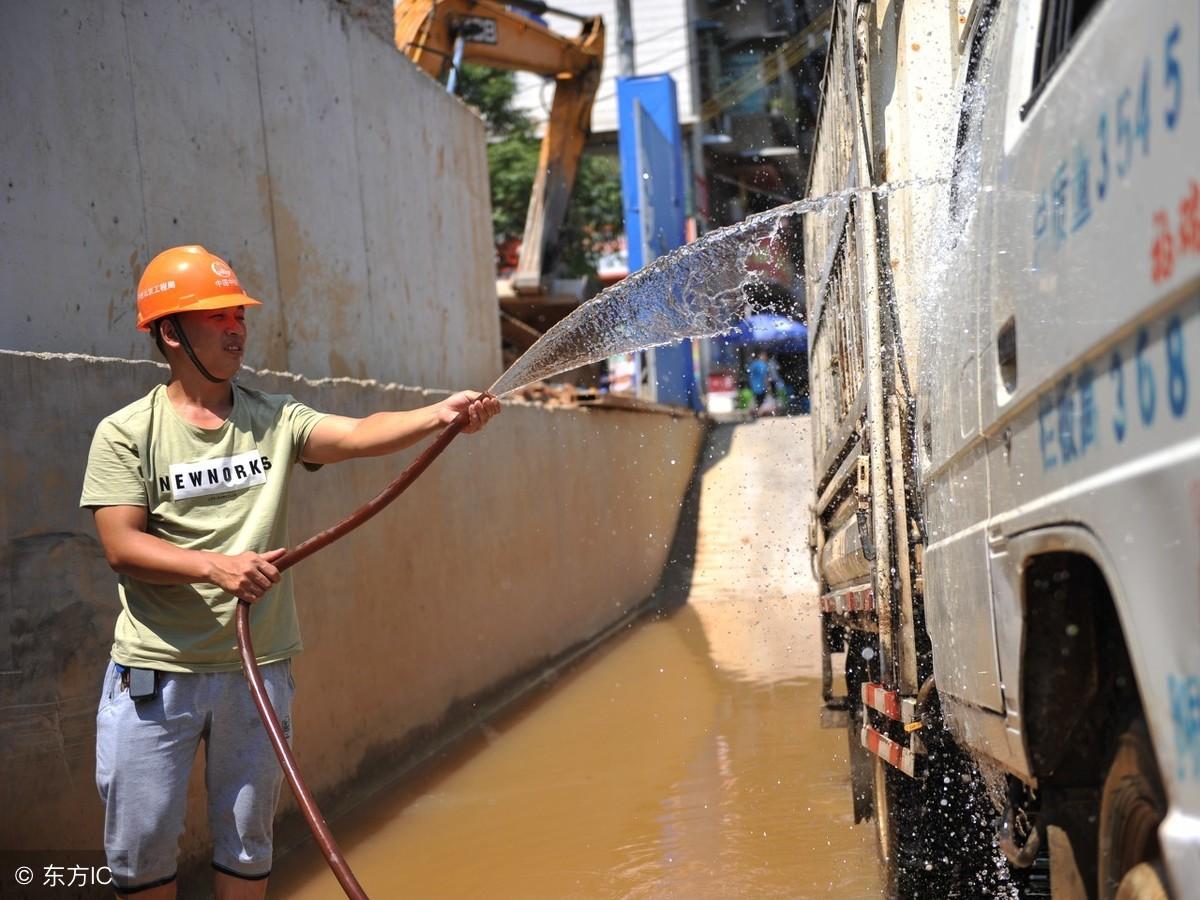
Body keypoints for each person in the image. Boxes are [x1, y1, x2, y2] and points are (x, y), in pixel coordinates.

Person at [80, 245, 500, 899]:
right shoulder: (127, 433)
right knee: (142, 853)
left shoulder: (273, 417)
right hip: (156, 676)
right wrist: (215, 567)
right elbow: (121, 545)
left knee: (247, 846)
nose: (235, 329)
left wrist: (437, 415)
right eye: (214, 316)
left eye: (237, 315)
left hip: (257, 671)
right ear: (169, 332)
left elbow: (361, 432)